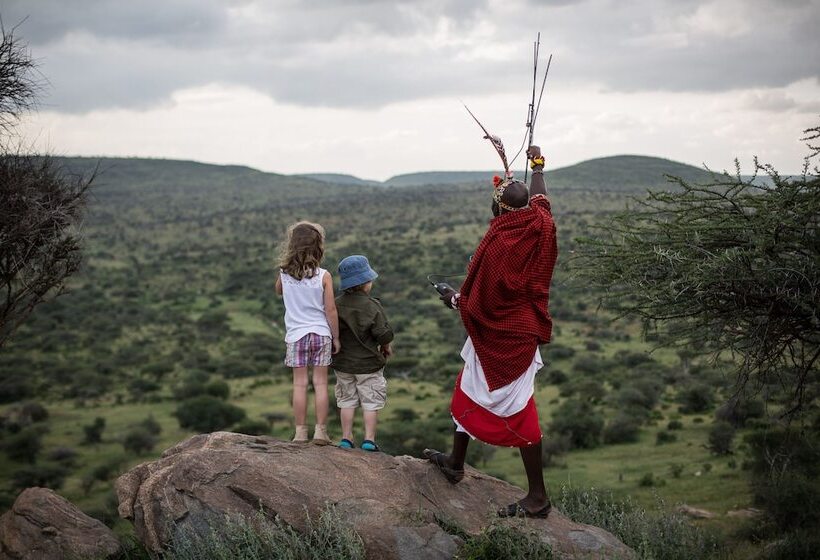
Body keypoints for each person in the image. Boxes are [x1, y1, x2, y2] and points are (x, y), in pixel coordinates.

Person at [423, 145, 558, 519]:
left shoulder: (498, 243)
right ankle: (454, 462)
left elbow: (478, 303)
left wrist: (453, 299)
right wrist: (537, 164)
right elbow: (542, 194)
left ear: (499, 207)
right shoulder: (541, 223)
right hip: (522, 330)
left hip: (503, 337)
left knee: (519, 407)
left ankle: (538, 496)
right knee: (468, 387)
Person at [275, 221, 340, 445]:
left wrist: (288, 273)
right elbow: (330, 310)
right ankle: (321, 432)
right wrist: (336, 337)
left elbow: (278, 291)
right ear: (318, 248)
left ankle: (300, 433)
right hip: (321, 333)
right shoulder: (324, 276)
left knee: (300, 385)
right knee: (321, 384)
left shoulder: (284, 274)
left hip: (296, 336)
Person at [332, 255, 393, 451]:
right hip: (368, 365)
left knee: (346, 401)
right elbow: (383, 335)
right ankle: (369, 440)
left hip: (342, 364)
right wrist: (386, 346)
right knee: (371, 402)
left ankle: (346, 438)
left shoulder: (335, 304)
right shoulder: (372, 305)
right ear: (366, 282)